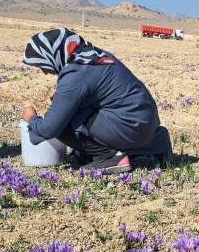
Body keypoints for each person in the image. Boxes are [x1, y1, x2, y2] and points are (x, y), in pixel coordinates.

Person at [20, 28, 170, 174]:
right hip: (147, 124)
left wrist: (31, 118)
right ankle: (157, 143)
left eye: (42, 64)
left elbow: (49, 128)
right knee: (76, 114)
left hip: (129, 127)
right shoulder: (94, 56)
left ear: (53, 54)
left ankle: (109, 157)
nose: (45, 71)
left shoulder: (76, 72)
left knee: (64, 125)